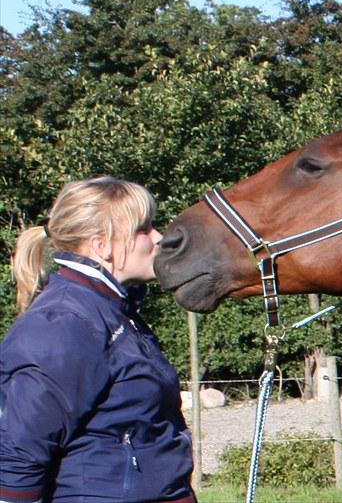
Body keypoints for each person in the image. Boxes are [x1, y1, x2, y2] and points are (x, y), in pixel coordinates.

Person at [0, 177, 196, 503]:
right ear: (101, 245)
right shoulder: (65, 323)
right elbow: (19, 456)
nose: (158, 237)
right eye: (143, 229)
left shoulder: (112, 311)